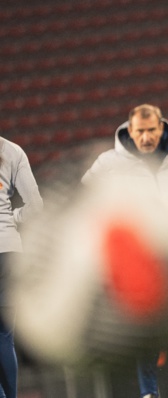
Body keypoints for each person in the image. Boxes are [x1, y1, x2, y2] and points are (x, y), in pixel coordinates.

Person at [82, 104, 168, 398]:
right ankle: (149, 394)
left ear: (161, 127)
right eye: (140, 131)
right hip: (143, 257)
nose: (146, 136)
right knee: (147, 330)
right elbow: (85, 195)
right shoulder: (109, 162)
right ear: (130, 131)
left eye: (151, 129)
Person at [0, 137, 43, 398]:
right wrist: (12, 218)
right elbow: (37, 207)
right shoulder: (13, 150)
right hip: (8, 250)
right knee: (5, 338)